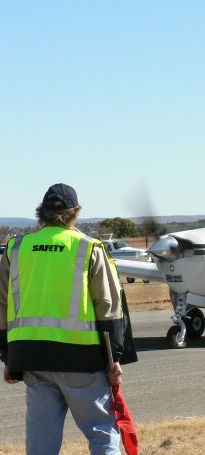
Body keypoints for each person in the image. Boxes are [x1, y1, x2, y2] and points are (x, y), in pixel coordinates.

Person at [0, 183, 133, 454]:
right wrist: (114, 357)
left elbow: (2, 305)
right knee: (101, 433)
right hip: (83, 360)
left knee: (41, 445)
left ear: (41, 212)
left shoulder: (15, 248)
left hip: (32, 358)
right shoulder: (89, 247)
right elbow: (108, 306)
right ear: (75, 213)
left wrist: (7, 356)